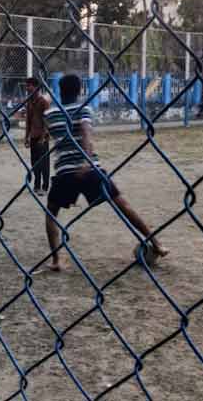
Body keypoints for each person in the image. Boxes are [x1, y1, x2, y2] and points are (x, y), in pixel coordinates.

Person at [42, 74, 168, 271]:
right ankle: (157, 243)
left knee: (51, 214)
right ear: (79, 91)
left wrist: (48, 102)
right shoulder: (84, 109)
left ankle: (57, 260)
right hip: (91, 169)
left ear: (60, 90)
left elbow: (48, 130)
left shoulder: (51, 115)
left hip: (65, 172)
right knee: (122, 205)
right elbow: (86, 133)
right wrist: (85, 160)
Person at [23, 77, 50, 196]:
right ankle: (37, 185)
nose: (27, 88)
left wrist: (43, 137)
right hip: (33, 136)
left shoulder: (43, 101)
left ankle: (45, 186)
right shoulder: (29, 102)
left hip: (42, 137)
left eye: (29, 86)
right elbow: (28, 121)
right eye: (27, 85)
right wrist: (26, 137)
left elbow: (47, 121)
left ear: (36, 87)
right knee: (34, 163)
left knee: (44, 162)